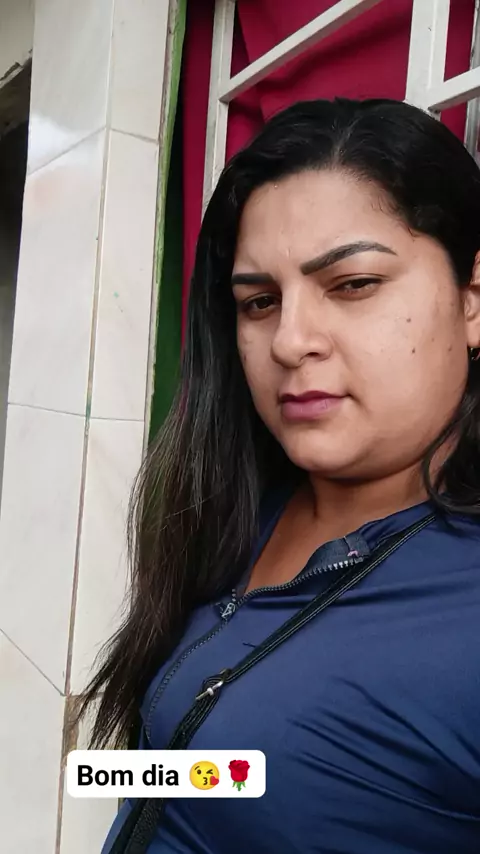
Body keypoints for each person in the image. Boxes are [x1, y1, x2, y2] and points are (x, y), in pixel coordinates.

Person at [82, 98, 480, 853]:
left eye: (353, 284)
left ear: (472, 298)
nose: (290, 341)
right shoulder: (242, 510)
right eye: (259, 302)